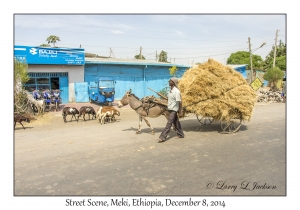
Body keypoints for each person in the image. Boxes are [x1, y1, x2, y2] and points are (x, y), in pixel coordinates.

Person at [158, 77, 185, 143]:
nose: (169, 82)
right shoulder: (170, 91)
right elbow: (168, 99)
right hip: (170, 108)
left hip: (174, 109)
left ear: (174, 82)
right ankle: (181, 134)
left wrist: (180, 112)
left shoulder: (176, 91)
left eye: (170, 81)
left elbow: (180, 102)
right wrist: (161, 95)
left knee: (169, 123)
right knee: (176, 122)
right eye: (169, 81)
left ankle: (162, 137)